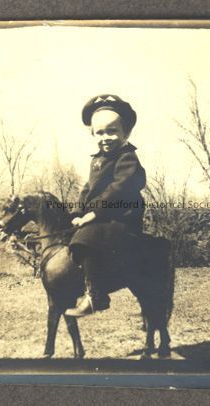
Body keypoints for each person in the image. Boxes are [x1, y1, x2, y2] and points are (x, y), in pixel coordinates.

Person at [65, 94, 146, 318]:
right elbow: (87, 189)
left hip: (120, 216)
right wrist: (77, 212)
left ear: (126, 133)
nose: (106, 137)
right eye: (100, 132)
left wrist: (95, 213)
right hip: (100, 216)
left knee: (87, 237)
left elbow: (119, 188)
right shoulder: (97, 160)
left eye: (112, 131)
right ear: (92, 134)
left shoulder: (127, 158)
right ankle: (77, 283)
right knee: (68, 234)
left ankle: (96, 295)